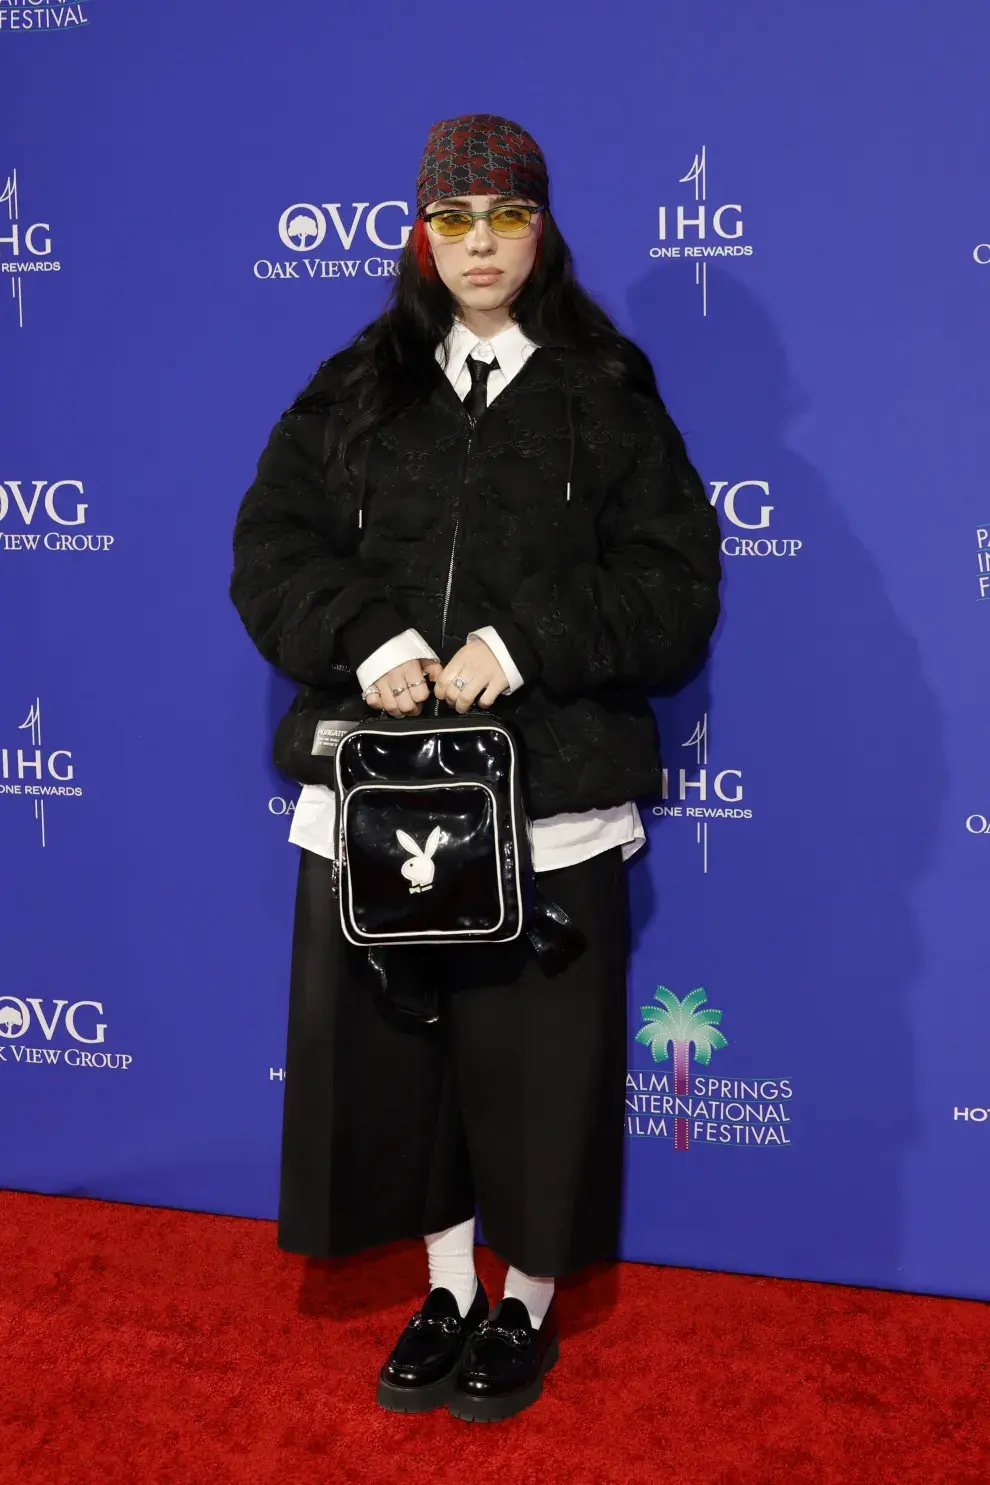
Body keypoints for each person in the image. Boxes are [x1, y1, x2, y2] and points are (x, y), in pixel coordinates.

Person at [230, 113, 721, 1423]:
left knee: (533, 1069)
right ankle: (445, 1289)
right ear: (418, 230)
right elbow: (270, 549)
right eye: (454, 219)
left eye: (504, 217)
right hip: (379, 809)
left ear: (541, 227)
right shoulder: (355, 385)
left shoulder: (605, 388)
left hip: (546, 807)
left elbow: (673, 590)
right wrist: (362, 635)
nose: (480, 245)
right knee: (401, 1064)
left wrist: (531, 639)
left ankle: (527, 1303)